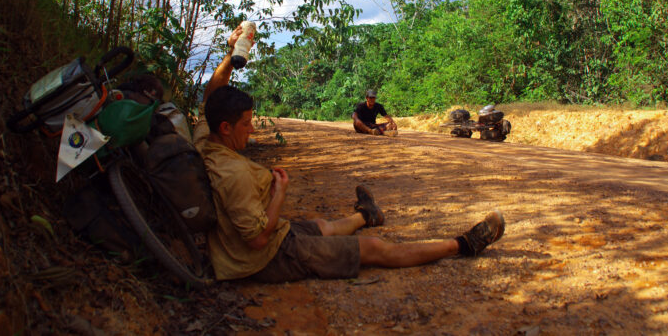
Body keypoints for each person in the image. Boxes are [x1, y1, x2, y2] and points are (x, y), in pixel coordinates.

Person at [192, 29, 506, 282]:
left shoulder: (207, 141)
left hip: (262, 238)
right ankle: (463, 245)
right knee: (374, 249)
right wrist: (279, 194)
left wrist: (233, 54)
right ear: (226, 127)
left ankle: (367, 215)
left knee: (322, 226)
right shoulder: (234, 175)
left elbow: (212, 97)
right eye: (246, 124)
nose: (252, 130)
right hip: (263, 257)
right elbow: (258, 240)